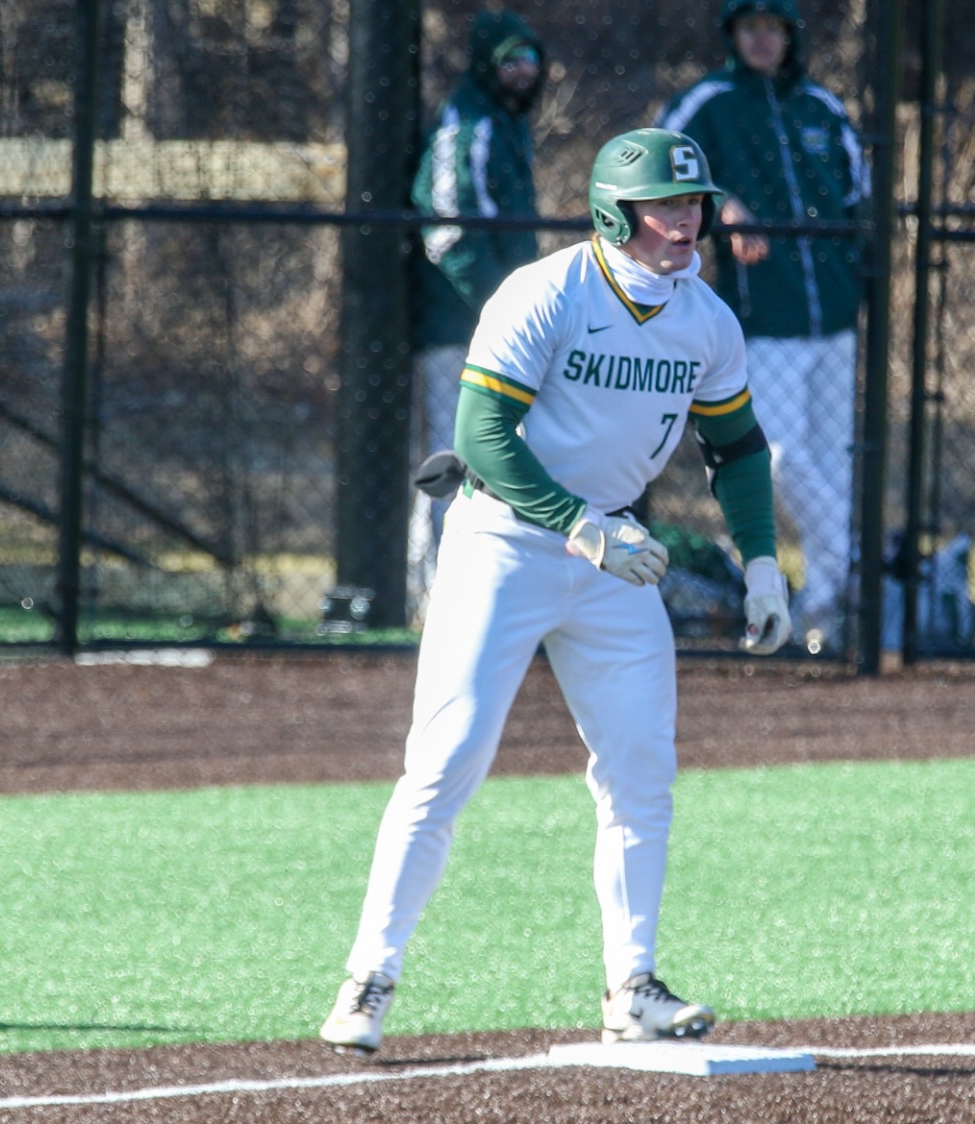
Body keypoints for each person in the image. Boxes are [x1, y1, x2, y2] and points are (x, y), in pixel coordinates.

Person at [320, 128, 792, 1056]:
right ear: (617, 213)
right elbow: (483, 431)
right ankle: (370, 974)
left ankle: (633, 986)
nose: (686, 221)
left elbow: (734, 448)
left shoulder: (706, 319)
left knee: (640, 771)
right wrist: (581, 523)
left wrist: (765, 563)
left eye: (694, 203)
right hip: (505, 538)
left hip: (615, 552)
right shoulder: (545, 292)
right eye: (666, 204)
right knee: (446, 761)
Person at [657, 0, 867, 651]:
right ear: (732, 35)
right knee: (778, 454)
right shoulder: (710, 103)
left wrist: (850, 273)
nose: (761, 40)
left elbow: (860, 194)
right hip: (764, 316)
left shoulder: (821, 108)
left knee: (835, 460)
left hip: (833, 314)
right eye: (749, 27)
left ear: (789, 36)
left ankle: (830, 604)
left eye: (772, 28)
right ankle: (856, 564)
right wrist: (721, 205)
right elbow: (655, 164)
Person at [406, 11, 546, 619]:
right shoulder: (469, 123)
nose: (522, 73)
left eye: (531, 60)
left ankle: (443, 585)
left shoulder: (507, 125)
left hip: (496, 324)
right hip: (460, 324)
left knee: (487, 451)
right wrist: (502, 310)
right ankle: (440, 592)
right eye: (510, 60)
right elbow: (446, 230)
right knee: (452, 452)